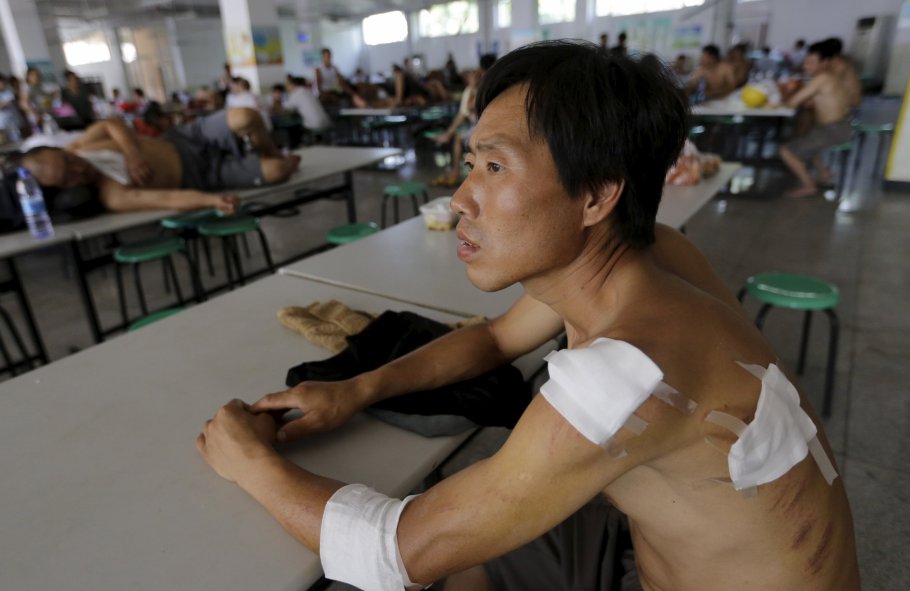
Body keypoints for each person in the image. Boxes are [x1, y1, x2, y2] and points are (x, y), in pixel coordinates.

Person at [197, 40, 858, 591]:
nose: (460, 198)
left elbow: (394, 549)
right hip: (660, 553)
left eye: (492, 165)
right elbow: (492, 339)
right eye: (468, 163)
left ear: (597, 194)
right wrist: (354, 389)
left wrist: (250, 461)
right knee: (483, 550)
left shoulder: (629, 373)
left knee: (451, 545)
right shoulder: (645, 253)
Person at [19, 108, 299, 215]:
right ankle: (277, 161)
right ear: (65, 189)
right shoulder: (113, 195)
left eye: (68, 161)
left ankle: (271, 151)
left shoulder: (80, 146)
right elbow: (168, 199)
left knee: (246, 117)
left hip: (182, 139)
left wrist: (132, 153)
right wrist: (212, 201)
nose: (77, 169)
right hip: (205, 175)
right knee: (277, 172)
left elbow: (112, 123)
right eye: (68, 178)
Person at [779, 41, 856, 198]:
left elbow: (792, 103)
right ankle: (824, 173)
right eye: (806, 62)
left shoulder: (820, 79)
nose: (806, 66)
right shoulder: (831, 77)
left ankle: (808, 186)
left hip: (833, 129)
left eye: (812, 63)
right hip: (840, 126)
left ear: (825, 62)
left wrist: (784, 95)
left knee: (786, 151)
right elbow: (816, 101)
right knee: (808, 140)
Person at [431, 53, 497, 188]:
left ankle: (468, 175)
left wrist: (473, 87)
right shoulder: (476, 89)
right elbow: (464, 112)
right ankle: (457, 172)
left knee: (467, 140)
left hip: (487, 126)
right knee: (459, 137)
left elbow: (469, 108)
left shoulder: (485, 88)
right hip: (481, 125)